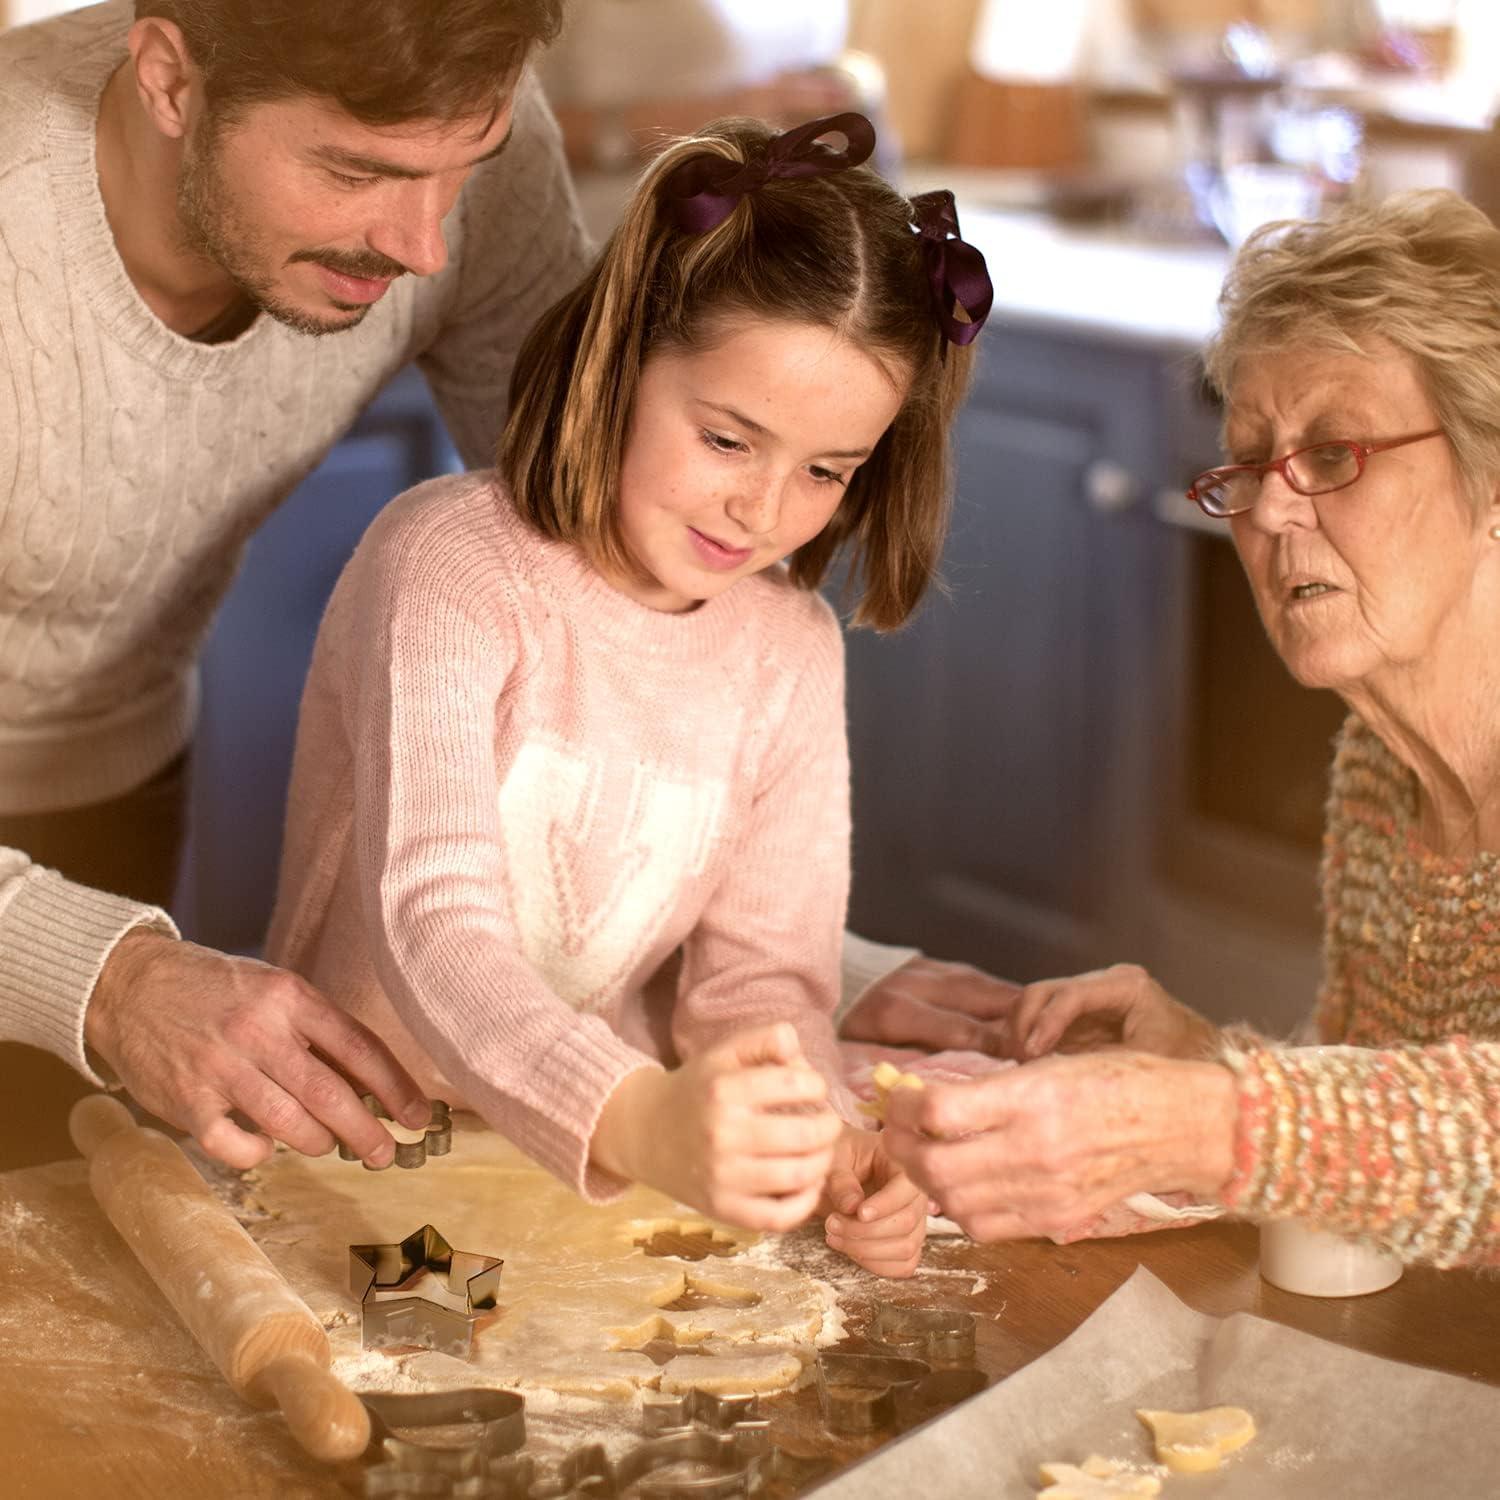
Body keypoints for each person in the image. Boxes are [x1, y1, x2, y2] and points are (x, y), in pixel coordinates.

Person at [0, 0, 1001, 1174]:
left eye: (459, 171)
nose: (428, 246)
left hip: (113, 762)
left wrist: (807, 971)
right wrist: (108, 977)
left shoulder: (462, 144)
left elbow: (600, 555)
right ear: (170, 77)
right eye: (358, 170)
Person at [265, 111, 994, 1275]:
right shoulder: (450, 566)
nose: (761, 511)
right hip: (348, 1159)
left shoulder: (790, 651)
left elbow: (759, 979)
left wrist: (814, 1140)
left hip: (587, 1186)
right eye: (725, 438)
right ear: (624, 359)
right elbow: (431, 918)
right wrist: (636, 1116)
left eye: (825, 472)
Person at [884, 188, 1500, 1269]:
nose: (1267, 512)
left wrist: (1202, 1117)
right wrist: (1200, 1059)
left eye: (1335, 453)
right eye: (1249, 465)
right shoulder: (1379, 763)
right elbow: (1406, 1146)